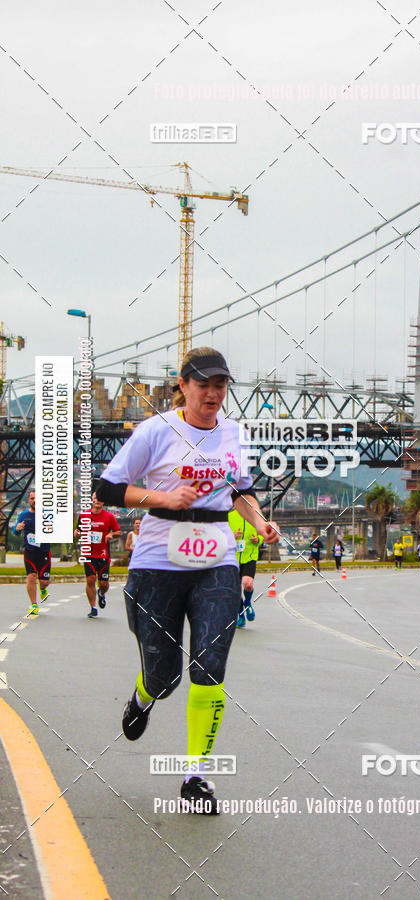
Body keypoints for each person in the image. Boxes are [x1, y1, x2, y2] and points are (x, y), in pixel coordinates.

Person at [95, 347, 279, 814]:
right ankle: (143, 697)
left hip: (217, 556)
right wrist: (163, 496)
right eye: (204, 385)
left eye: (221, 385)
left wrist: (258, 522)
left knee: (210, 663)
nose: (214, 394)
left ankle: (196, 775)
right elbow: (108, 488)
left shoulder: (234, 434)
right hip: (159, 557)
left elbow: (240, 490)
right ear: (183, 385)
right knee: (164, 676)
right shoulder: (156, 431)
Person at [74, 493, 121, 618]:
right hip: (88, 553)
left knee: (104, 584)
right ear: (92, 500)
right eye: (95, 499)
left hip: (103, 554)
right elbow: (79, 530)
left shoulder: (109, 516)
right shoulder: (84, 515)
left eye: (100, 499)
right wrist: (77, 533)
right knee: (90, 579)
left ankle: (101, 593)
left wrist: (111, 535)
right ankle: (93, 607)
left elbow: (118, 531)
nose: (97, 501)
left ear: (103, 502)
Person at [13, 489, 50, 617]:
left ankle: (43, 589)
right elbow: (15, 530)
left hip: (44, 552)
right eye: (32, 498)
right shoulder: (24, 515)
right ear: (29, 500)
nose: (34, 501)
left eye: (37, 498)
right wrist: (17, 529)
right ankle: (34, 605)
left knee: (44, 582)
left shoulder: (48, 514)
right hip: (30, 551)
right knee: (31, 577)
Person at [228, 507, 263, 628]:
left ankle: (247, 602)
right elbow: (222, 535)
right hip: (233, 557)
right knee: (235, 590)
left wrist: (258, 539)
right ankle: (241, 615)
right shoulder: (229, 516)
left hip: (249, 556)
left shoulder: (256, 516)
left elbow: (263, 533)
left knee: (247, 584)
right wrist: (233, 536)